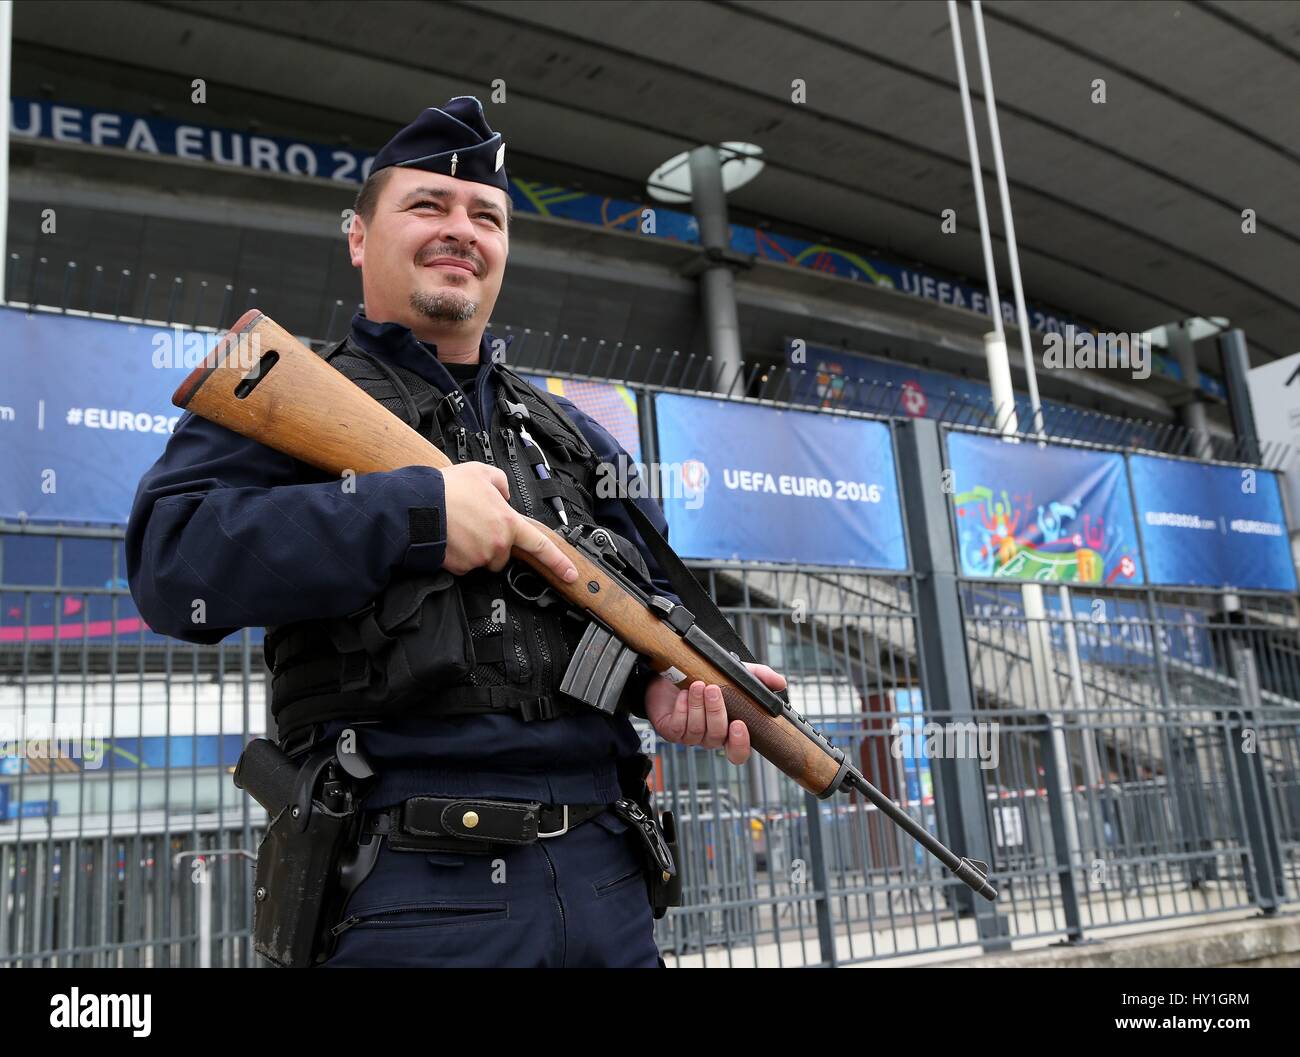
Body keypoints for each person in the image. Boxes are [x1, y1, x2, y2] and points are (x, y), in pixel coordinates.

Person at [126, 96, 786, 968]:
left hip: (608, 885)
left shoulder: (572, 434)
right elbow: (172, 563)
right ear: (358, 237)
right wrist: (414, 517)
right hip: (408, 890)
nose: (460, 229)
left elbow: (627, 608)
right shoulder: (279, 391)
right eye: (427, 205)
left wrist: (654, 687)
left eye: (486, 216)